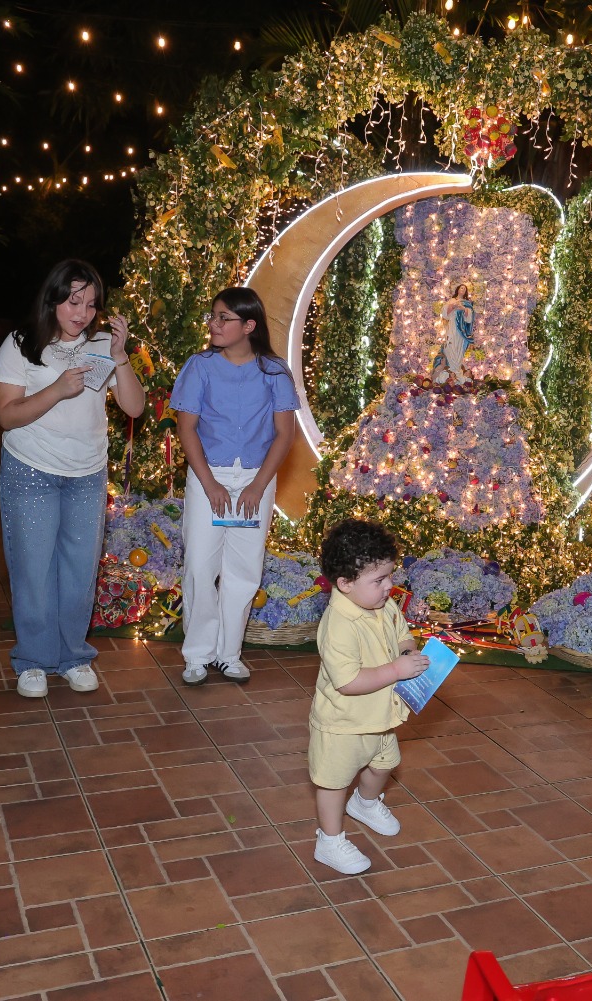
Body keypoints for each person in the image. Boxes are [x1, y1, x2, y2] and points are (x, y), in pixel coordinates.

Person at [0, 260, 144, 698]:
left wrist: (120, 357)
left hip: (87, 473)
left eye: (91, 304)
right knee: (34, 570)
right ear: (53, 298)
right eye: (74, 301)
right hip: (31, 468)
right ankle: (34, 661)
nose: (82, 313)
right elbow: (6, 415)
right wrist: (57, 389)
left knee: (80, 571)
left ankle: (74, 656)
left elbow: (134, 407)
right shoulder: (21, 343)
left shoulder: (101, 344)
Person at [169, 287, 298, 685]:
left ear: (248, 325)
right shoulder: (199, 366)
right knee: (199, 565)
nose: (214, 323)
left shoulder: (275, 371)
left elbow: (285, 434)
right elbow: (186, 429)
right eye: (213, 316)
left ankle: (228, 654)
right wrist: (209, 484)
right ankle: (198, 654)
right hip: (209, 476)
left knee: (244, 568)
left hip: (256, 479)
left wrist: (258, 487)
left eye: (223, 317)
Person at [308, 519, 428, 874]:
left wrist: (407, 652)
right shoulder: (339, 624)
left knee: (385, 764)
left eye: (390, 576)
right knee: (333, 784)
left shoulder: (383, 605)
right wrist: (396, 670)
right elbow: (347, 682)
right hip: (343, 724)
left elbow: (403, 635)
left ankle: (364, 802)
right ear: (345, 583)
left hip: (381, 716)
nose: (389, 586)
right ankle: (329, 841)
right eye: (379, 580)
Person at [429, 283, 474, 386]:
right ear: (457, 289)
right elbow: (445, 314)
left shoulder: (467, 303)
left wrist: (463, 308)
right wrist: (453, 306)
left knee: (459, 349)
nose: (462, 289)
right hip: (452, 328)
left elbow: (469, 318)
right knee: (450, 346)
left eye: (464, 289)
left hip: (461, 331)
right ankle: (451, 372)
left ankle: (457, 371)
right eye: (461, 288)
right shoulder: (452, 300)